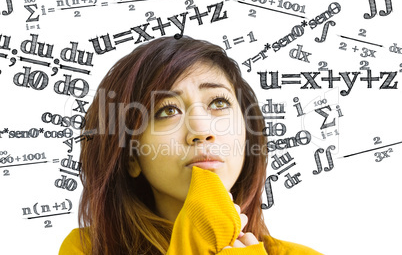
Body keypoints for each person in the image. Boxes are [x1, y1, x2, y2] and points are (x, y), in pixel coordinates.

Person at [59, 36, 322, 254]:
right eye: (167, 110)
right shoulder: (88, 249)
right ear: (131, 157)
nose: (202, 131)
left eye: (218, 103)